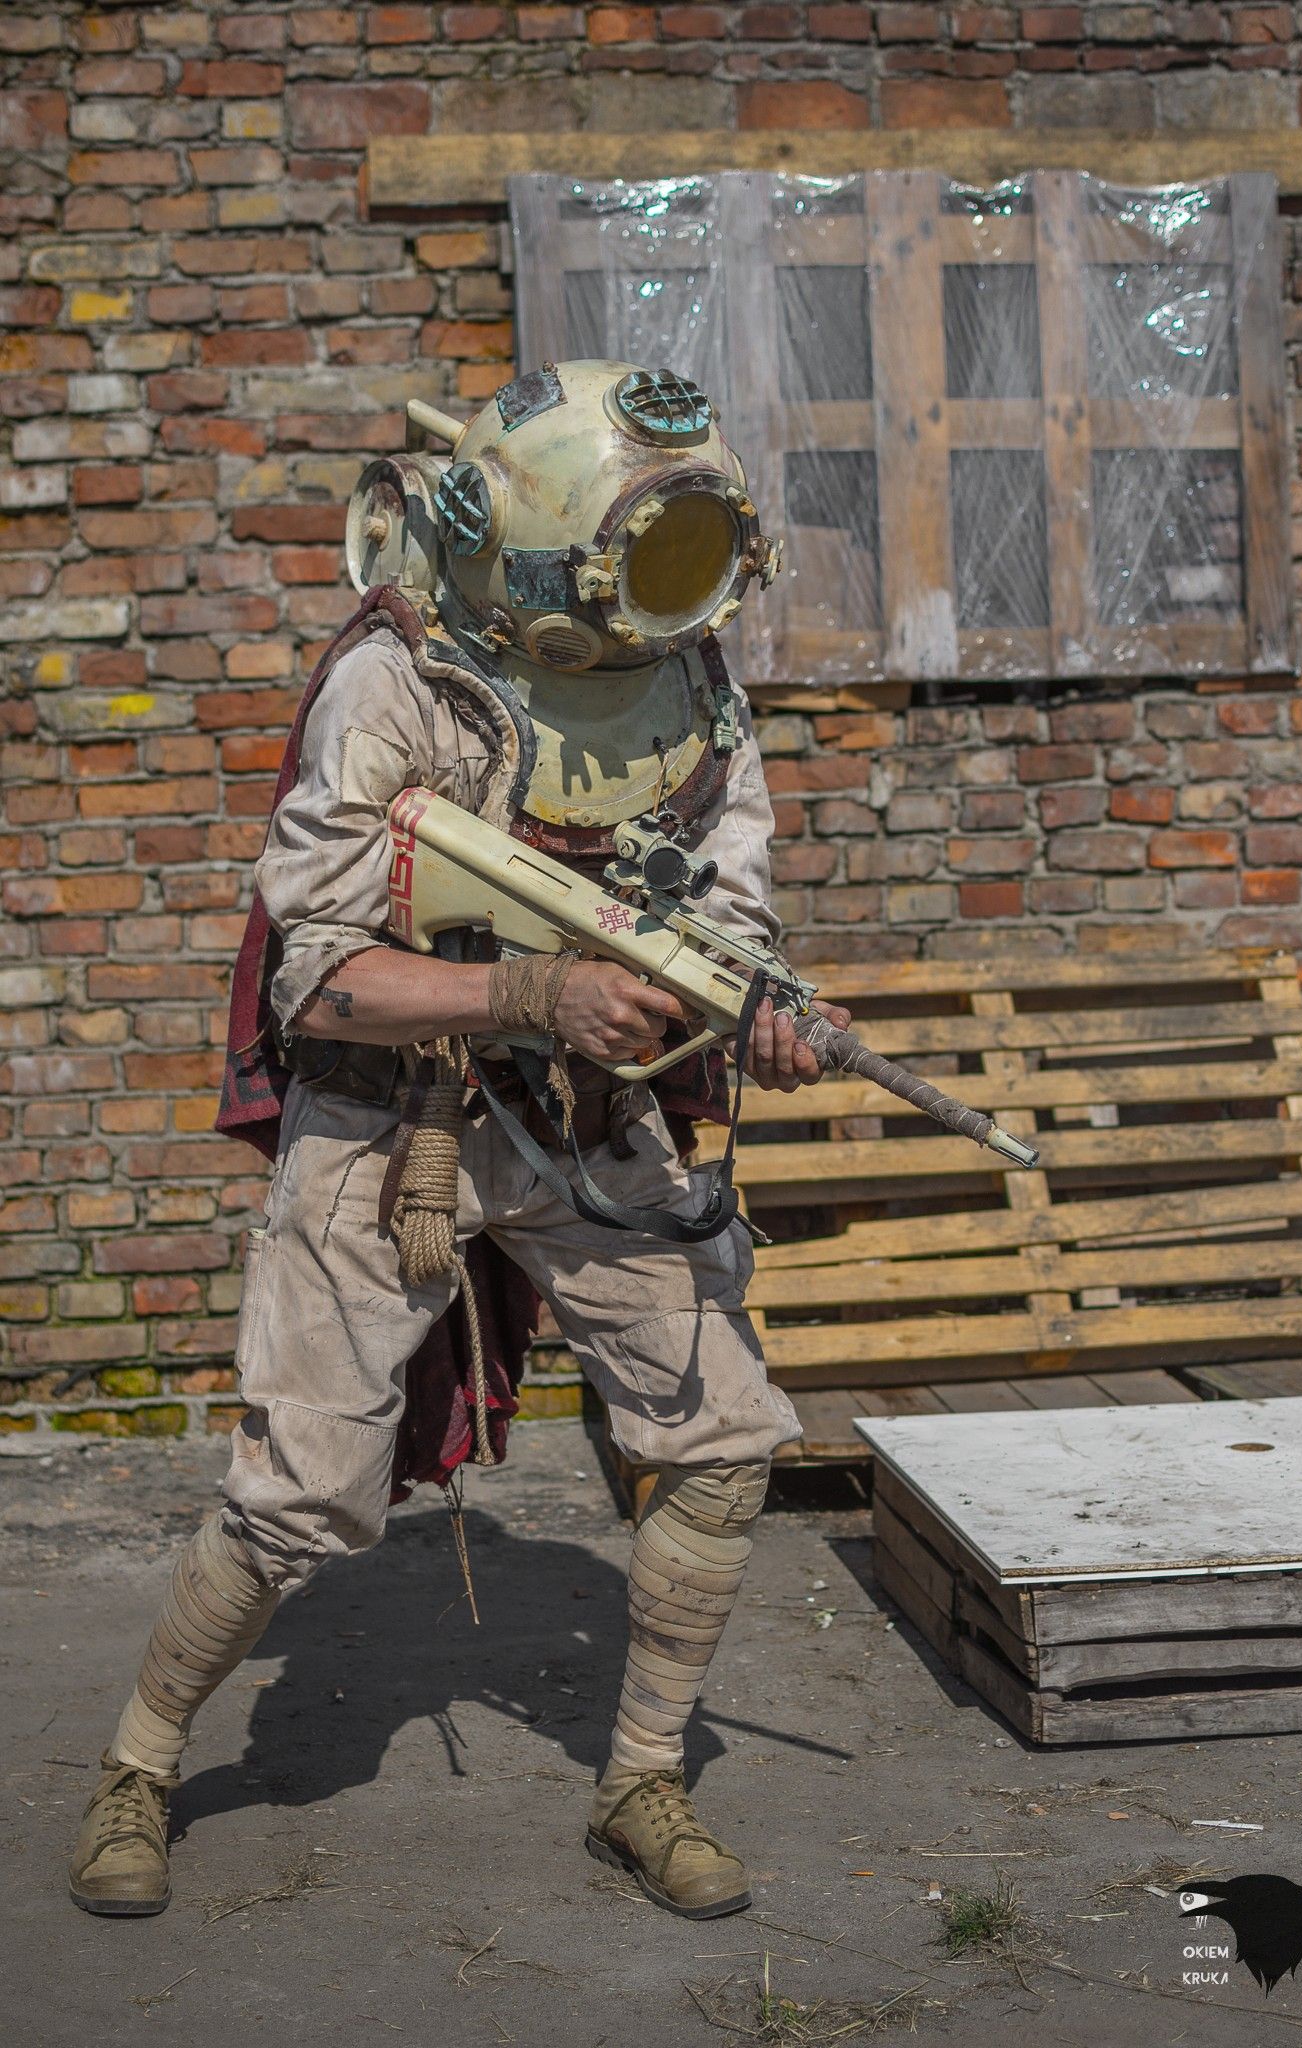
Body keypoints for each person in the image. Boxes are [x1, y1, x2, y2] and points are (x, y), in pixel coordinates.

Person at [68, 360, 845, 1924]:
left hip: (591, 1125)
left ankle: (639, 1780)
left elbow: (728, 908)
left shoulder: (689, 683)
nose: (665, 597)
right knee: (301, 1497)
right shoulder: (395, 684)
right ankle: (138, 1769)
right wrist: (533, 986)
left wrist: (747, 1004)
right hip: (391, 1124)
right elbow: (319, 972)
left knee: (719, 1444)